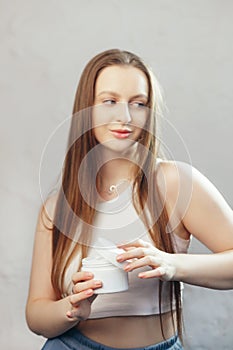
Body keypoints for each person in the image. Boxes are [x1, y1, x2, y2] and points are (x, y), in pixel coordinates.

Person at [25, 49, 233, 350]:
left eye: (138, 104)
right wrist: (71, 308)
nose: (124, 116)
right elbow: (36, 314)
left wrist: (172, 264)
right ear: (88, 108)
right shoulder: (58, 207)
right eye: (110, 101)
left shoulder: (175, 183)